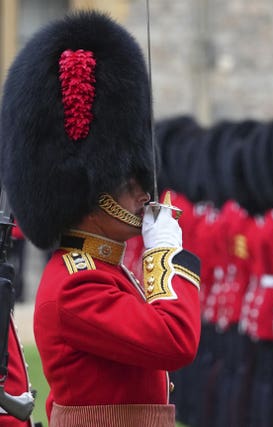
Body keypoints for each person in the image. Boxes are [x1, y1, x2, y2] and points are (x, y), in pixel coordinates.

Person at [0, 11, 201, 426]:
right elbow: (174, 341)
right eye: (130, 184)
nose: (143, 193)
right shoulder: (77, 286)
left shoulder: (106, 272)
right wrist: (165, 253)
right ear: (93, 195)